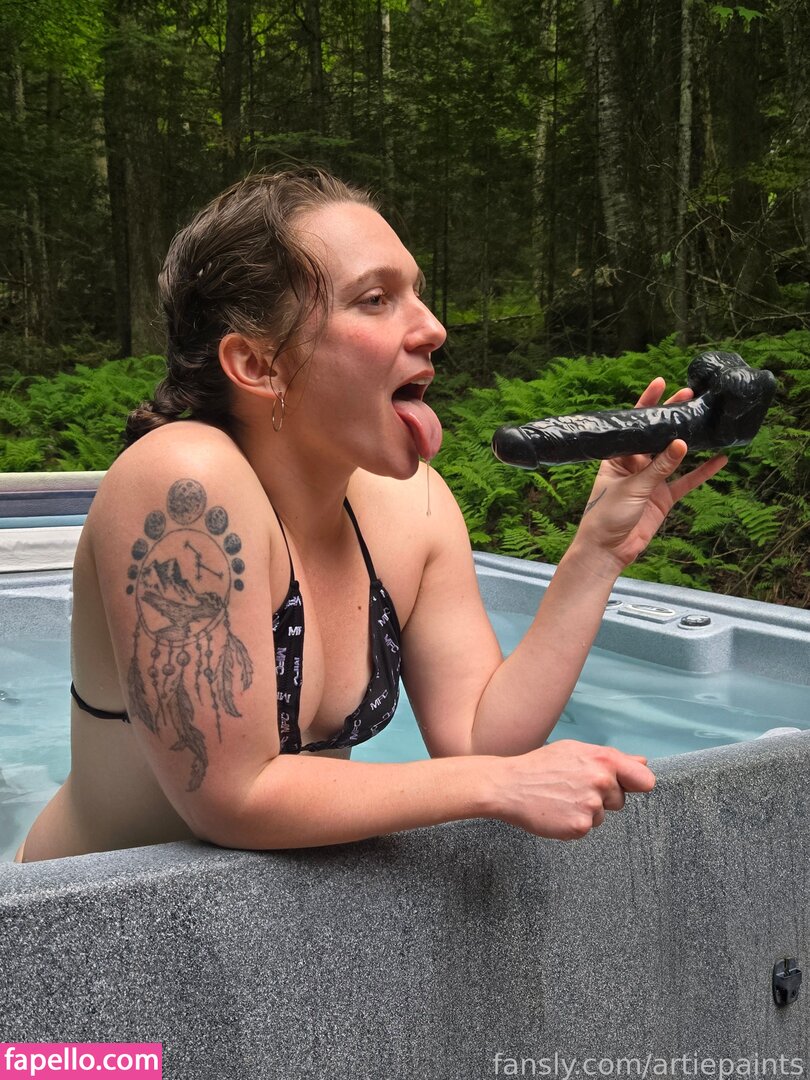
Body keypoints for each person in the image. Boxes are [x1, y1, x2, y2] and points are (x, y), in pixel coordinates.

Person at [17, 167, 726, 862]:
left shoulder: (413, 507)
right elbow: (233, 798)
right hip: (80, 921)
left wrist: (598, 552)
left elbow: (478, 737)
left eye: (419, 293)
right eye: (377, 299)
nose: (433, 328)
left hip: (257, 925)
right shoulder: (184, 482)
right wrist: (494, 786)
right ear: (258, 364)